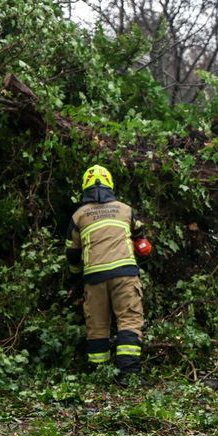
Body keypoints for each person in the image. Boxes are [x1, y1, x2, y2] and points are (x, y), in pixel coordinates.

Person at [65, 165, 149, 386]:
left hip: (94, 278)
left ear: (85, 187)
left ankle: (99, 376)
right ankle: (129, 376)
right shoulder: (125, 210)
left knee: (98, 326)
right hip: (124, 274)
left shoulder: (79, 216)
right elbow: (140, 236)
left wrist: (75, 279)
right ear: (110, 184)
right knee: (129, 320)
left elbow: (72, 254)